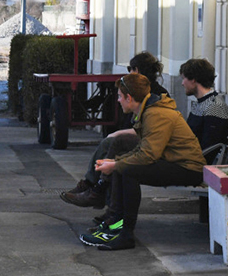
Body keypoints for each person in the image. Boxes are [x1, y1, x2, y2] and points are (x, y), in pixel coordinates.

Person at [79, 72, 205, 250]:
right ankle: (116, 224)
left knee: (128, 171)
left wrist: (116, 164)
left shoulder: (156, 114)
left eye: (119, 97)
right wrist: (116, 162)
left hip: (188, 169)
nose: (118, 101)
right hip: (175, 162)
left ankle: (126, 235)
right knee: (124, 166)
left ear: (129, 98)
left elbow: (148, 155)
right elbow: (143, 150)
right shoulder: (148, 111)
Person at [60, 51, 168, 208]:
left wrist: (117, 134)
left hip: (151, 146)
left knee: (113, 148)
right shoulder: (149, 91)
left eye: (130, 69)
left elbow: (147, 129)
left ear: (137, 71)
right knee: (113, 150)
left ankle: (94, 189)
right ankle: (102, 199)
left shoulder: (154, 95)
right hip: (143, 142)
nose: (129, 73)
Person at [179, 58, 228, 149]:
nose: (182, 83)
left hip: (196, 160)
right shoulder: (201, 104)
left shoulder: (214, 107)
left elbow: (209, 148)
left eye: (184, 78)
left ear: (193, 79)